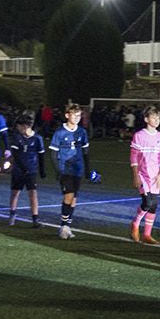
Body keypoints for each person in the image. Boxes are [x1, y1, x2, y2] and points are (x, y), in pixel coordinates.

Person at [49, 102, 94, 239]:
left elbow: (86, 152)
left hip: (78, 169)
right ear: (67, 115)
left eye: (79, 116)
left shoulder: (82, 132)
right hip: (65, 169)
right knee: (68, 195)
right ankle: (63, 226)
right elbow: (53, 153)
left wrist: (87, 170)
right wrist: (58, 170)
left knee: (74, 198)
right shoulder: (60, 132)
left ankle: (67, 225)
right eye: (74, 115)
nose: (76, 118)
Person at [129, 107, 160, 243]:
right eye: (153, 118)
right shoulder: (139, 135)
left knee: (154, 205)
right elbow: (134, 156)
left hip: (155, 175)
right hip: (143, 174)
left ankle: (147, 234)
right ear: (146, 119)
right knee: (147, 202)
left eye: (158, 118)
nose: (157, 120)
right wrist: (135, 175)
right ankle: (135, 223)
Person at [3, 115, 47, 227]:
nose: (17, 128)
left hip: (31, 170)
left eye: (19, 126)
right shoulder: (17, 137)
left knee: (33, 193)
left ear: (25, 126)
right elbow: (16, 155)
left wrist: (42, 171)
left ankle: (35, 219)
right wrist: (23, 169)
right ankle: (12, 215)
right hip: (18, 170)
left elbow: (41, 155)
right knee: (15, 193)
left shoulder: (37, 138)